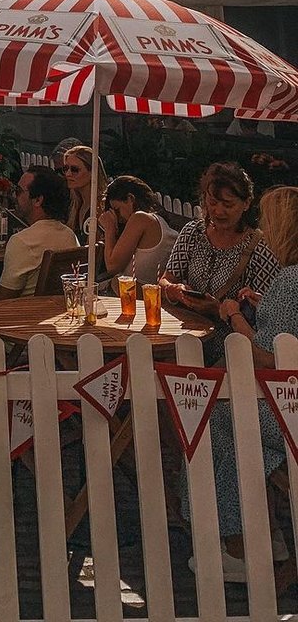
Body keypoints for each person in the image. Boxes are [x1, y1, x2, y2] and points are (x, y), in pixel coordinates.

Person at [186, 186, 298, 582]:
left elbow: (267, 358)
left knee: (212, 417)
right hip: (288, 399)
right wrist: (261, 302)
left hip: (285, 408)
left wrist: (234, 313)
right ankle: (269, 536)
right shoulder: (285, 284)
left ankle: (240, 543)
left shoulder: (290, 280)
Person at [161, 161, 279, 362]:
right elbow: (165, 280)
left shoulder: (260, 248)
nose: (218, 211)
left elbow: (267, 316)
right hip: (183, 339)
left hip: (232, 352)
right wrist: (175, 291)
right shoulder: (193, 232)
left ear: (247, 203)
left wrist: (219, 309)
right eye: (212, 203)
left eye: (228, 205)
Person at [0, 166, 79, 298]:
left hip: (20, 315)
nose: (14, 195)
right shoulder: (69, 235)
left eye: (18, 191)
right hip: (56, 314)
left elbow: (2, 299)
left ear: (37, 200)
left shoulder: (22, 241)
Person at [99, 175, 177, 285]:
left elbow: (112, 267)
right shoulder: (157, 221)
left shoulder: (140, 218)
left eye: (117, 210)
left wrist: (109, 228)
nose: (118, 218)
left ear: (130, 199)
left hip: (132, 293)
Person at [62, 145, 108, 240]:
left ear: (92, 172)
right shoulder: (75, 205)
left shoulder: (102, 206)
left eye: (75, 170)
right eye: (66, 169)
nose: (68, 174)